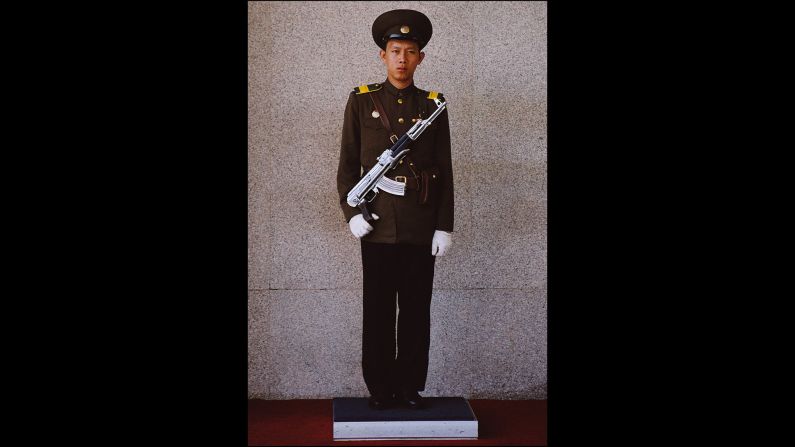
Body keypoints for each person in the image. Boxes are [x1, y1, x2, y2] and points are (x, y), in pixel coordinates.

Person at [336, 9, 454, 410]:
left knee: (417, 312)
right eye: (395, 50)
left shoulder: (433, 106)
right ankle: (380, 389)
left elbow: (446, 168)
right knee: (379, 311)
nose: (402, 58)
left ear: (421, 58)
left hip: (421, 226)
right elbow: (348, 165)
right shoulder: (361, 100)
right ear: (383, 56)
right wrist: (351, 214)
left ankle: (409, 387)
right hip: (378, 225)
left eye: (410, 51)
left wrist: (444, 226)